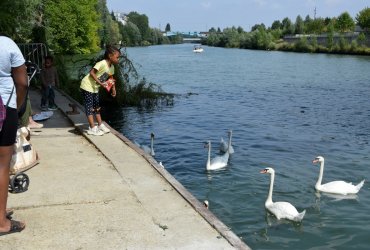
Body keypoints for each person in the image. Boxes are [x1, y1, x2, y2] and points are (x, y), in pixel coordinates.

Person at [0, 35, 28, 235]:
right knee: (2, 164)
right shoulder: (6, 44)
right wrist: (16, 109)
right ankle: (1, 222)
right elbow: (23, 83)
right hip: (3, 107)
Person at [80, 45, 119, 136]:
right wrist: (100, 83)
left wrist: (113, 89)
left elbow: (111, 78)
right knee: (90, 107)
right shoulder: (102, 63)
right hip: (87, 86)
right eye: (117, 57)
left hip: (95, 88)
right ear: (110, 56)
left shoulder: (111, 67)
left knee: (97, 107)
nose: (118, 59)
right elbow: (92, 72)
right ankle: (92, 128)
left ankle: (100, 125)